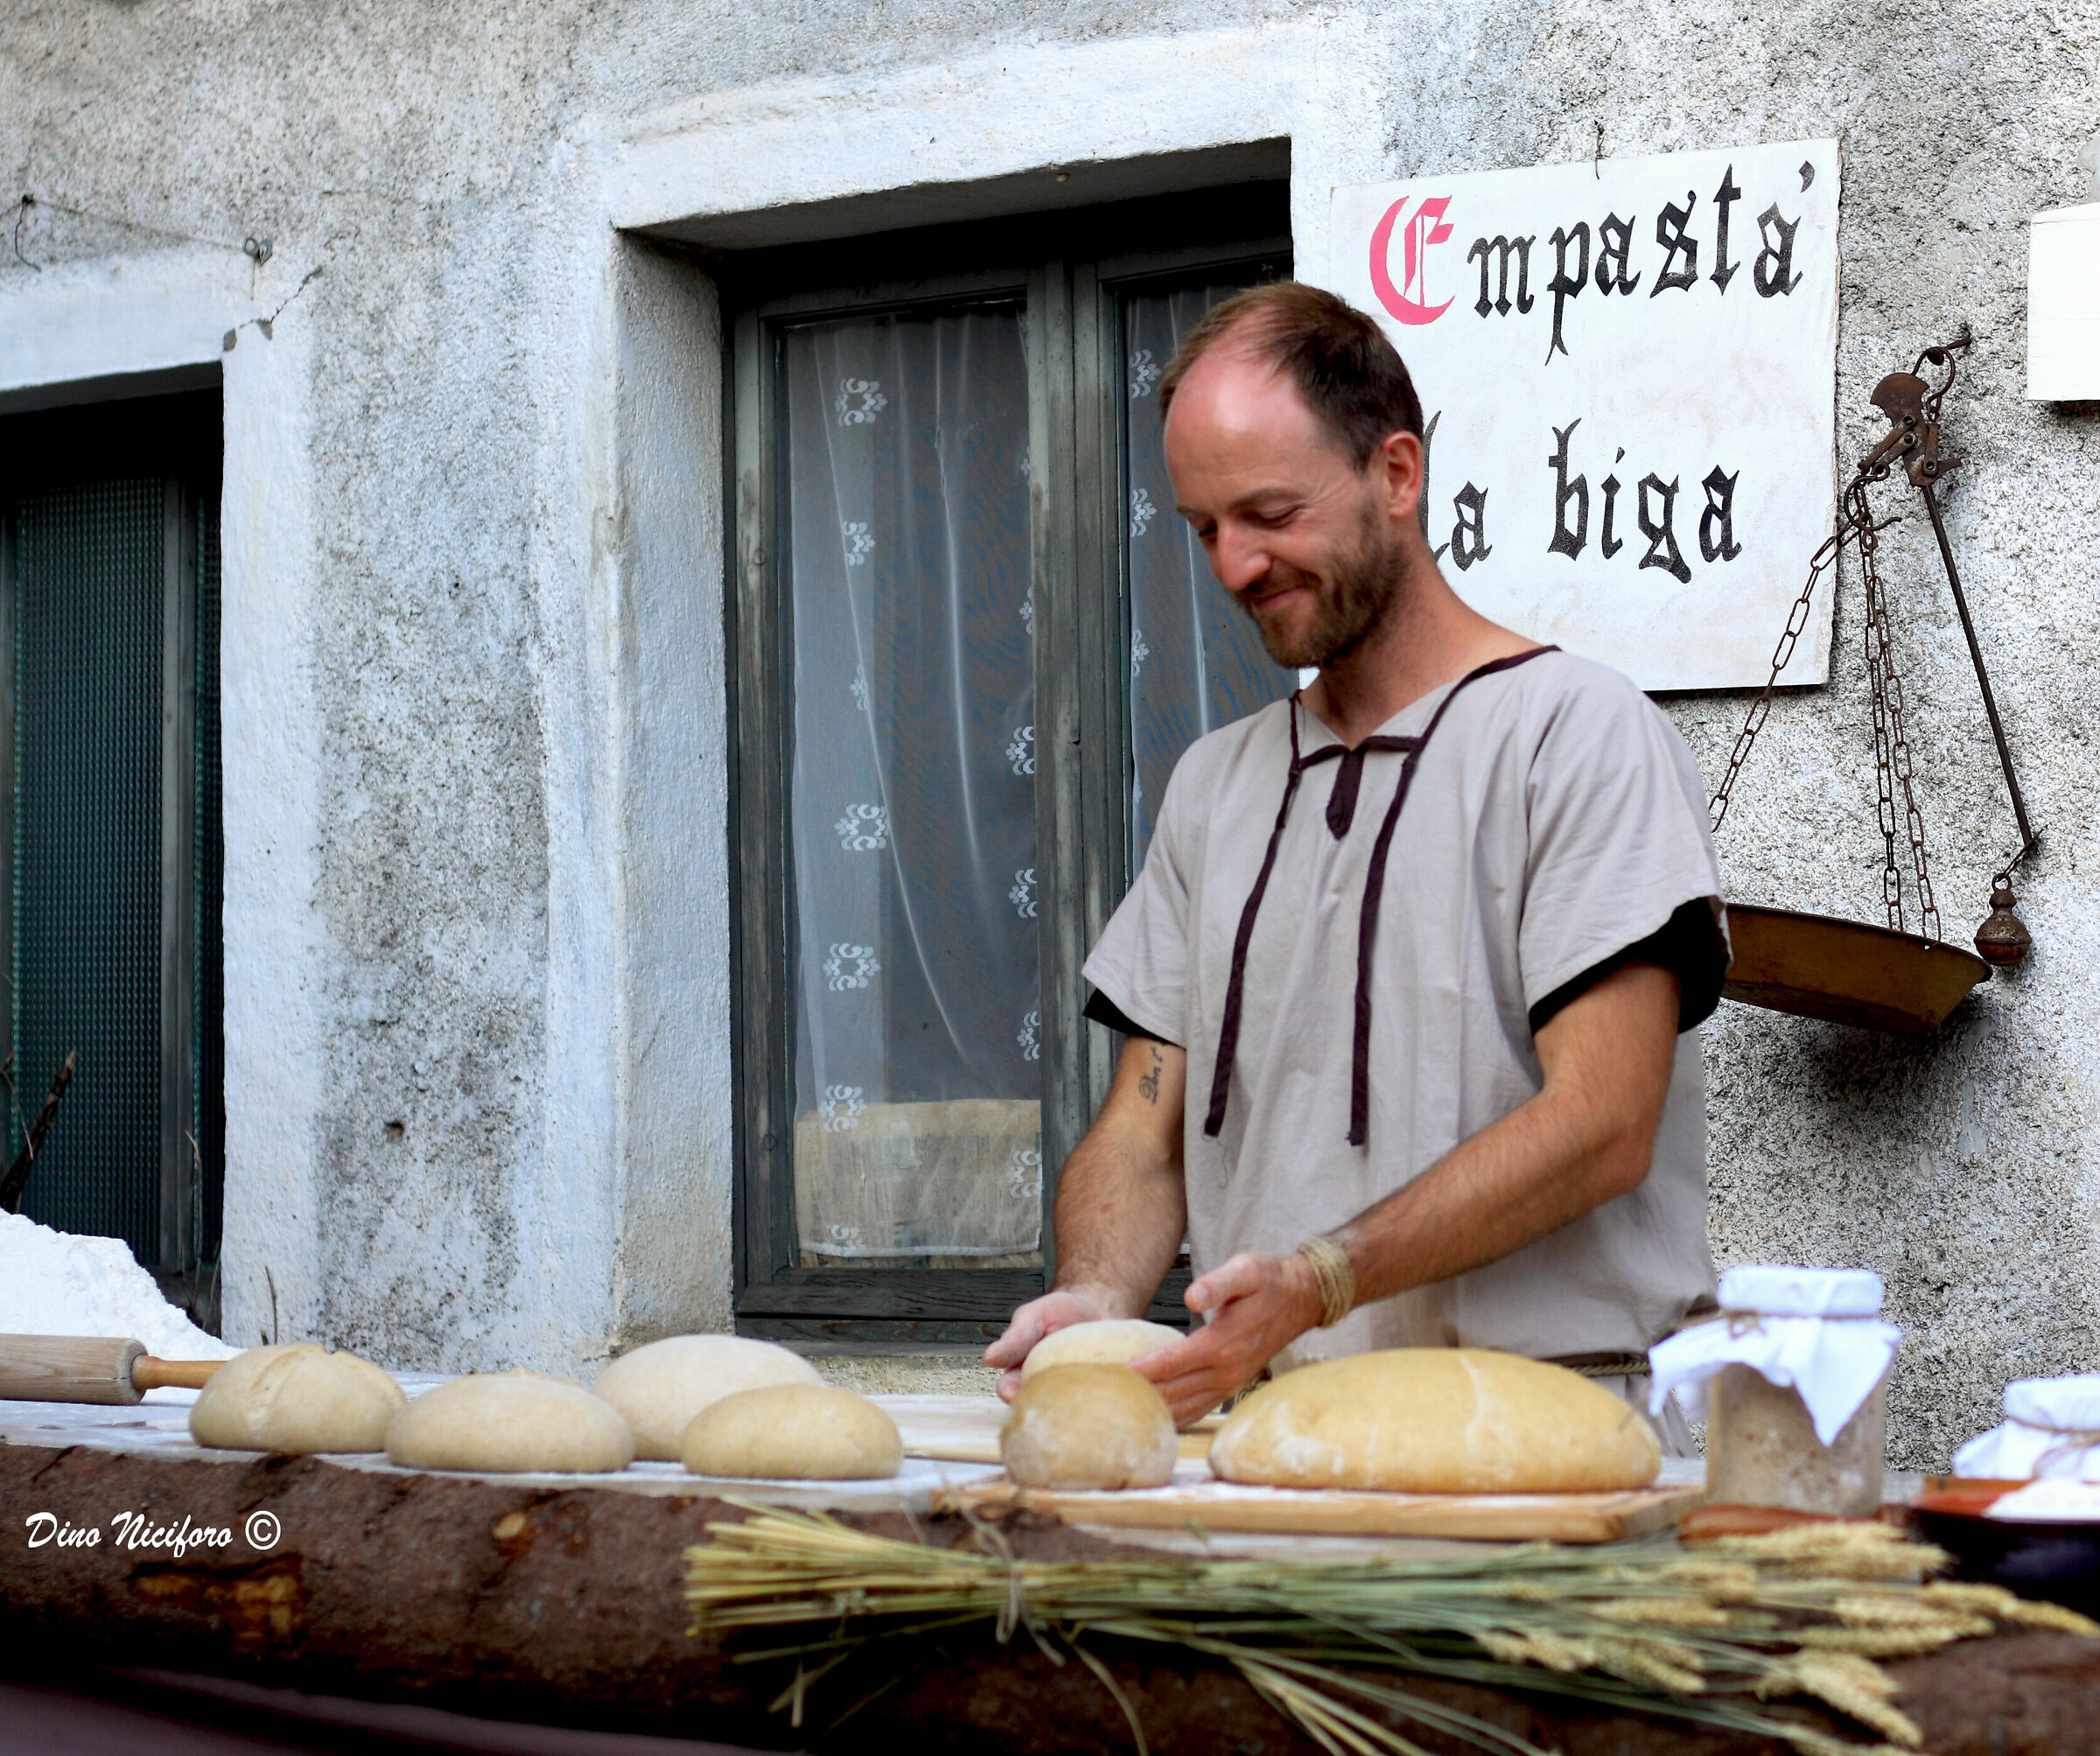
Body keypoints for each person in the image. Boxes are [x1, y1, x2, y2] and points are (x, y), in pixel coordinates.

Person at [984, 283, 1727, 1445]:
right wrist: (1093, 1304)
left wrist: (1323, 1277)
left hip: (1547, 1436)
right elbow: (1144, 1125)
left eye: (1270, 513)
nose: (1234, 567)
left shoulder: (1577, 733)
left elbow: (1604, 1117)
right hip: (1275, 1442)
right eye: (1203, 529)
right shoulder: (1214, 788)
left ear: (1396, 475)